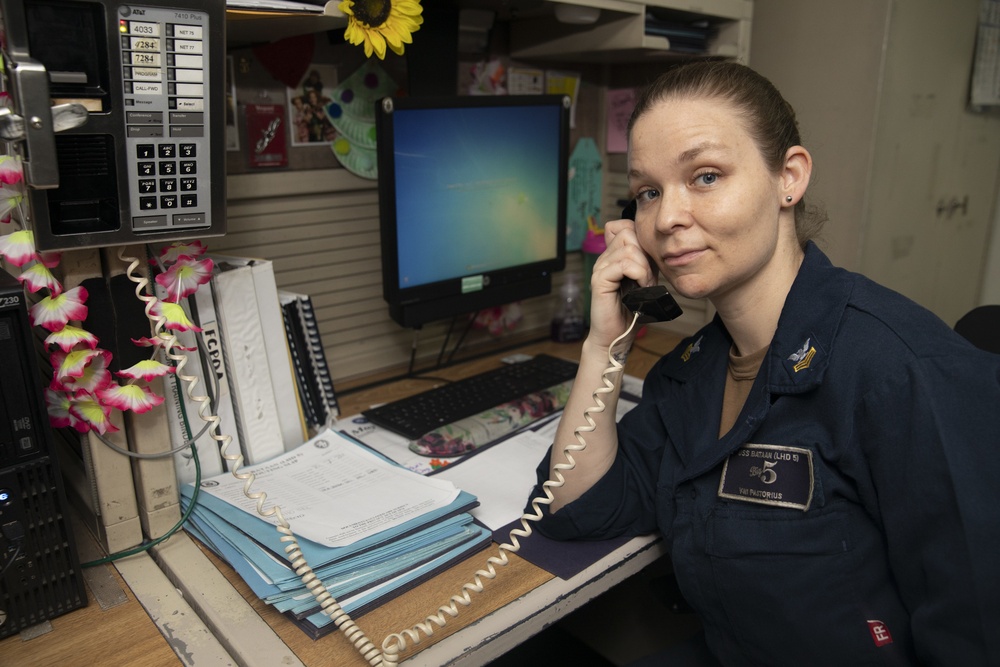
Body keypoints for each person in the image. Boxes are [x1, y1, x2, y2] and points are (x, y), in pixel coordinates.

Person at [531, 60, 1000, 666]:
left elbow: (979, 637)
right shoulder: (692, 371)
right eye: (648, 192)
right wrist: (605, 344)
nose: (667, 218)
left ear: (789, 178)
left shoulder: (904, 372)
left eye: (704, 176)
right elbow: (577, 508)